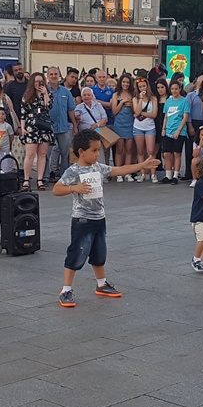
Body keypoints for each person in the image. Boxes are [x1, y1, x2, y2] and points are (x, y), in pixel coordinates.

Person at [55, 129, 159, 308]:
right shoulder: (73, 171)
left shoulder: (98, 167)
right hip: (82, 220)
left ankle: (101, 283)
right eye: (94, 151)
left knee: (99, 253)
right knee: (76, 253)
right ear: (81, 152)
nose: (97, 154)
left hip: (99, 219)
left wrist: (142, 165)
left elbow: (119, 169)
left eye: (98, 150)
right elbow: (57, 189)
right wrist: (75, 188)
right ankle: (66, 290)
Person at [19, 71, 55, 191]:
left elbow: (48, 107)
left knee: (42, 154)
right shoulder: (27, 95)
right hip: (31, 125)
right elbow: (23, 113)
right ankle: (26, 179)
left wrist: (45, 94)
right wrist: (22, 128)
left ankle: (40, 179)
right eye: (36, 81)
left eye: (41, 81)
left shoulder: (47, 93)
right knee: (30, 154)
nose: (39, 84)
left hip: (43, 125)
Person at [44, 66, 77, 183]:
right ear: (47, 76)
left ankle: (64, 176)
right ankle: (45, 177)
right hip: (47, 128)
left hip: (64, 127)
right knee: (45, 154)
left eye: (55, 74)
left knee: (65, 153)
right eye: (51, 74)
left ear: (59, 76)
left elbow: (71, 110)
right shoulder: (43, 91)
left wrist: (75, 126)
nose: (53, 76)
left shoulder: (65, 92)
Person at [160, 80, 190, 184]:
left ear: (180, 89)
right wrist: (163, 128)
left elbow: (185, 117)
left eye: (176, 89)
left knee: (177, 153)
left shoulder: (184, 101)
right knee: (166, 154)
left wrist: (178, 130)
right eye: (172, 89)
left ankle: (175, 175)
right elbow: (166, 116)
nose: (174, 91)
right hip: (168, 130)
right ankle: (168, 175)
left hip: (179, 131)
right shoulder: (168, 101)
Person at [109, 74, 137, 175]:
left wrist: (132, 104)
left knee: (129, 150)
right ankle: (118, 172)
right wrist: (122, 103)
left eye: (128, 82)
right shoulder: (116, 94)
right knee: (119, 150)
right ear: (120, 83)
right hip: (119, 124)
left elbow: (136, 112)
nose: (125, 84)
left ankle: (127, 173)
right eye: (124, 82)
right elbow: (114, 111)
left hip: (130, 123)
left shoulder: (133, 94)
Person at [132, 78, 159, 182]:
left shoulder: (153, 99)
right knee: (140, 151)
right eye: (140, 87)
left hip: (150, 127)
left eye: (144, 86)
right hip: (138, 127)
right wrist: (140, 99)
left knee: (151, 151)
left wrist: (140, 114)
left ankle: (153, 174)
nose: (142, 88)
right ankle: (142, 173)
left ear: (147, 86)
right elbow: (136, 111)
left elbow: (154, 114)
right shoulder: (135, 99)